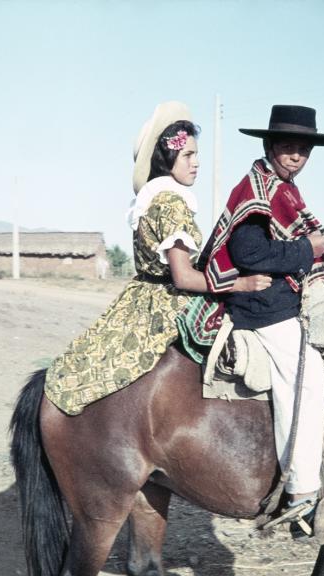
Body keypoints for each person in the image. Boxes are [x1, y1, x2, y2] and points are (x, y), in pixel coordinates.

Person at [43, 101, 271, 415]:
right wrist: (241, 284)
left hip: (140, 295)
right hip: (169, 300)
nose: (196, 163)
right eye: (188, 155)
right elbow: (183, 277)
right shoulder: (172, 202)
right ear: (167, 158)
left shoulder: (151, 198)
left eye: (196, 154)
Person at [198, 105, 324, 534]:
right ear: (270, 147)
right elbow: (248, 255)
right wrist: (310, 249)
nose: (296, 156)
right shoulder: (256, 191)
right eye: (288, 148)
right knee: (306, 377)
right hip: (259, 306)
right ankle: (301, 494)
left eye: (303, 150)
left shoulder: (281, 190)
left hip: (278, 299)